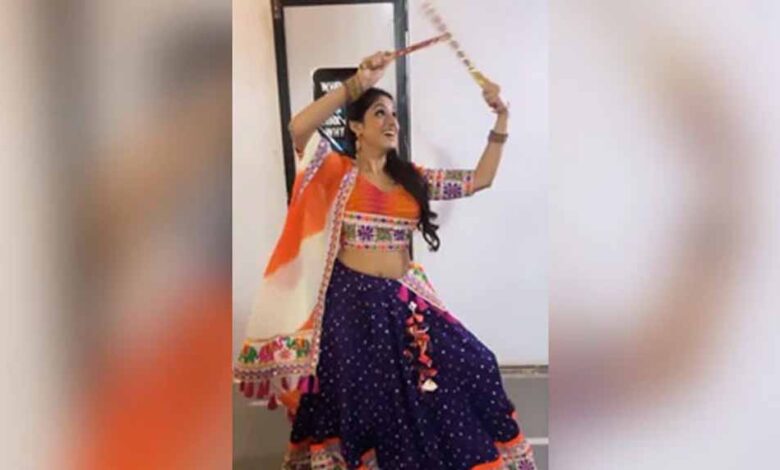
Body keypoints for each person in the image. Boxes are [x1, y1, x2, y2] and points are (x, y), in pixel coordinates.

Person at [235, 51, 537, 469]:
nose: (391, 121)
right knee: (364, 398)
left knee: (476, 363)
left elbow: (479, 180)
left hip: (405, 303)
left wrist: (501, 118)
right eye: (379, 113)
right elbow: (298, 129)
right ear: (356, 127)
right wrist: (356, 85)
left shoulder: (412, 179)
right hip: (352, 307)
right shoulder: (335, 171)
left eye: (393, 114)